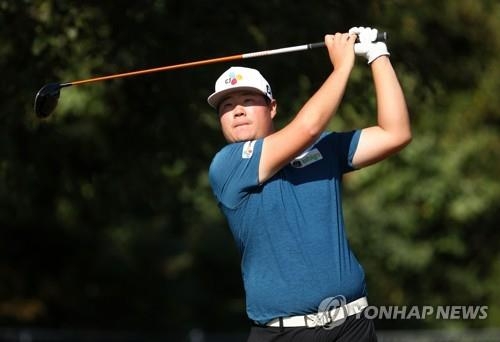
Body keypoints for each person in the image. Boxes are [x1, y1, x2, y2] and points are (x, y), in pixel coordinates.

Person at [206, 26, 411, 341]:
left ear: (272, 107)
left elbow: (395, 133)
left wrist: (377, 55)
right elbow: (308, 125)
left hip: (352, 325)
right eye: (226, 107)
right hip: (283, 334)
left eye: (248, 100)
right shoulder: (227, 165)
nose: (238, 111)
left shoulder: (321, 148)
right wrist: (342, 66)